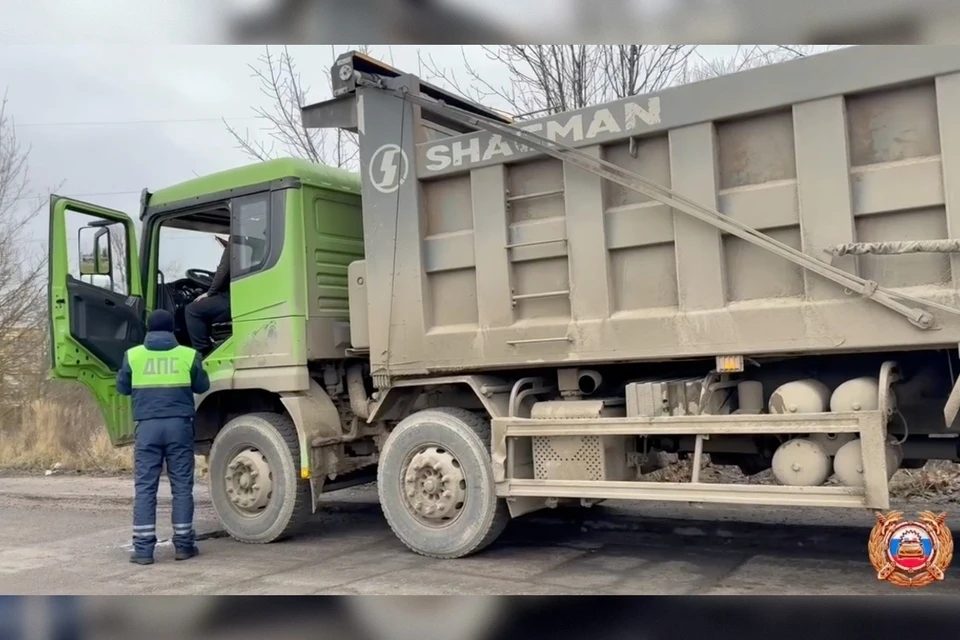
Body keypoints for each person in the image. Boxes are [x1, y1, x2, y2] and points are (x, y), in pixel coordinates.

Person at [117, 309, 210, 565]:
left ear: (148, 329)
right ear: (172, 330)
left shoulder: (133, 355)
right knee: (181, 487)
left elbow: (122, 387)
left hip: (147, 428)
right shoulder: (188, 355)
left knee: (145, 488)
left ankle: (144, 551)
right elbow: (203, 386)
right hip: (179, 427)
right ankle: (183, 546)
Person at [185, 241, 231, 353]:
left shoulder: (234, 244)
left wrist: (209, 293)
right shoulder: (248, 244)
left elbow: (222, 272)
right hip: (239, 294)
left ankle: (203, 352)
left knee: (192, 310)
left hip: (232, 297)